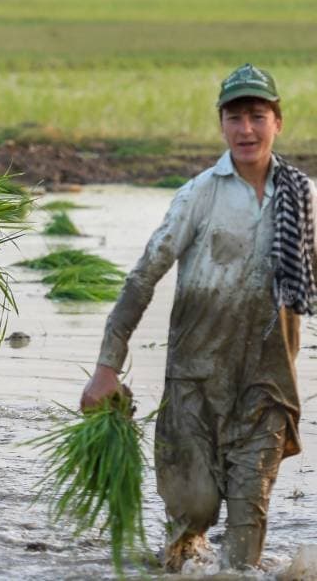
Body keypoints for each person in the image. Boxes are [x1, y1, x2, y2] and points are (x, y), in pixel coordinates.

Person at [80, 63, 311, 570]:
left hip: (267, 390)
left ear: (278, 121)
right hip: (195, 388)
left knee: (247, 535)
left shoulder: (302, 198)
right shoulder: (198, 195)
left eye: (257, 116)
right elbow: (142, 278)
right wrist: (106, 366)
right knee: (194, 516)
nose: (245, 129)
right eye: (235, 117)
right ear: (221, 124)